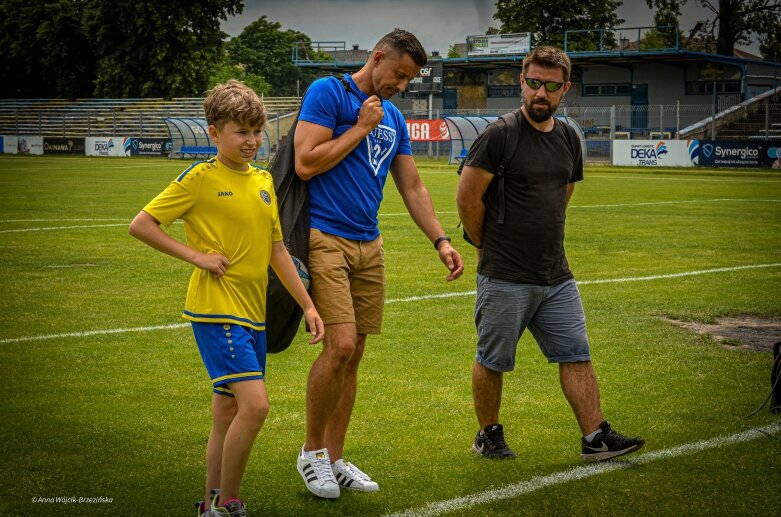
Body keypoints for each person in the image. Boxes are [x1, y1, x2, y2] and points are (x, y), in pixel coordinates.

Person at [129, 80, 325, 517]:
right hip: (217, 311)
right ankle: (229, 502)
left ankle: (209, 505)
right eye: (241, 132)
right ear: (215, 133)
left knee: (226, 412)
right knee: (255, 407)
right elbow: (142, 224)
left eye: (257, 131)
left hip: (253, 314)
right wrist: (195, 255)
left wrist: (308, 305)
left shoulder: (263, 181)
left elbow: (278, 251)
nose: (252, 141)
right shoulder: (198, 179)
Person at [292, 28, 464, 498]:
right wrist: (361, 127)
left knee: (356, 355)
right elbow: (305, 162)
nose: (402, 88)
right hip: (324, 236)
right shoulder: (329, 92)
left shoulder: (393, 117)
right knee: (341, 345)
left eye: (409, 80)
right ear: (378, 57)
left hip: (370, 244)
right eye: (399, 75)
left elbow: (412, 187)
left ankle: (336, 457)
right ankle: (312, 454)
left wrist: (441, 241)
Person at [456, 46, 644, 462]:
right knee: (493, 359)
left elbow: (565, 192)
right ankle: (488, 434)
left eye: (552, 86)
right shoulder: (499, 135)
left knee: (576, 353)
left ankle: (594, 437)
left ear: (565, 90)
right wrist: (485, 244)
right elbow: (468, 198)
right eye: (535, 83)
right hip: (504, 274)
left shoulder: (568, 137)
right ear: (522, 83)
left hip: (556, 275)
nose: (542, 93)